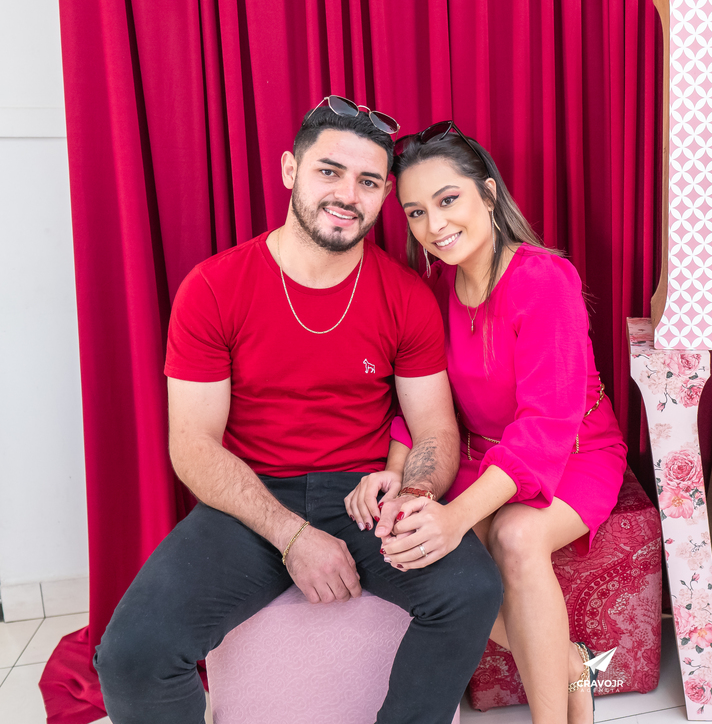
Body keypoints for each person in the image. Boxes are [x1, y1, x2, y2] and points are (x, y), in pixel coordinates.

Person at [93, 98, 502, 724]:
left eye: (368, 182)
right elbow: (193, 444)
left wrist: (415, 493)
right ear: (290, 170)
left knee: (471, 588)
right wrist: (291, 536)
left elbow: (435, 430)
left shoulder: (407, 296)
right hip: (252, 500)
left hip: (364, 499)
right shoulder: (213, 287)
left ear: (384, 196)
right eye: (329, 171)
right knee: (132, 654)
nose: (347, 195)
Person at [347, 122, 627, 724]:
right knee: (422, 554)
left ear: (489, 194)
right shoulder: (433, 287)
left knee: (515, 538)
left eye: (448, 200)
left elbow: (546, 425)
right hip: (476, 453)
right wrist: (400, 479)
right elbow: (421, 404)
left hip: (574, 450)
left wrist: (456, 517)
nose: (434, 225)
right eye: (416, 212)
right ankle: (570, 661)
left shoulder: (545, 279)